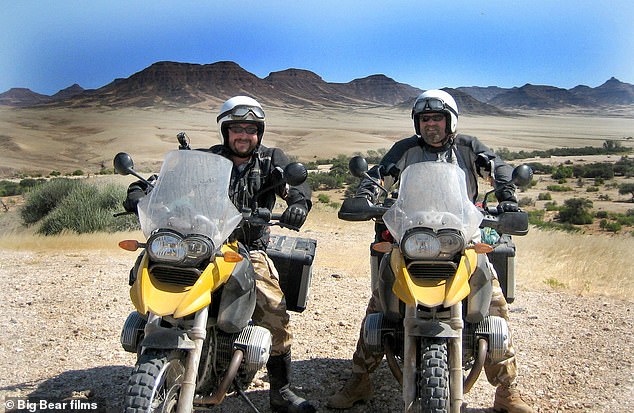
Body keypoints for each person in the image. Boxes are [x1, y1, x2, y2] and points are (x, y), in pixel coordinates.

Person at [327, 89, 534, 413]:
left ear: (450, 121)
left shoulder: (468, 148)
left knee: (494, 302)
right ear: (417, 123)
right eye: (425, 119)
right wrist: (367, 192)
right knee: (380, 301)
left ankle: (507, 389)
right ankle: (360, 379)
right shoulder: (406, 149)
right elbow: (383, 174)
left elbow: (497, 168)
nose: (431, 125)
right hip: (413, 235)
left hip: (461, 235)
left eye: (437, 118)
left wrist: (506, 191)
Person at [124, 96, 315, 413]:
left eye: (251, 129)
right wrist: (142, 191)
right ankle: (156, 342)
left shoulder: (271, 162)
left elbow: (296, 187)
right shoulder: (208, 160)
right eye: (237, 128)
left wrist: (298, 203)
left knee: (273, 307)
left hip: (246, 248)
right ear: (226, 131)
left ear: (259, 132)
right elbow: (168, 180)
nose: (244, 135)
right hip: (201, 242)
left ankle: (280, 391)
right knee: (152, 270)